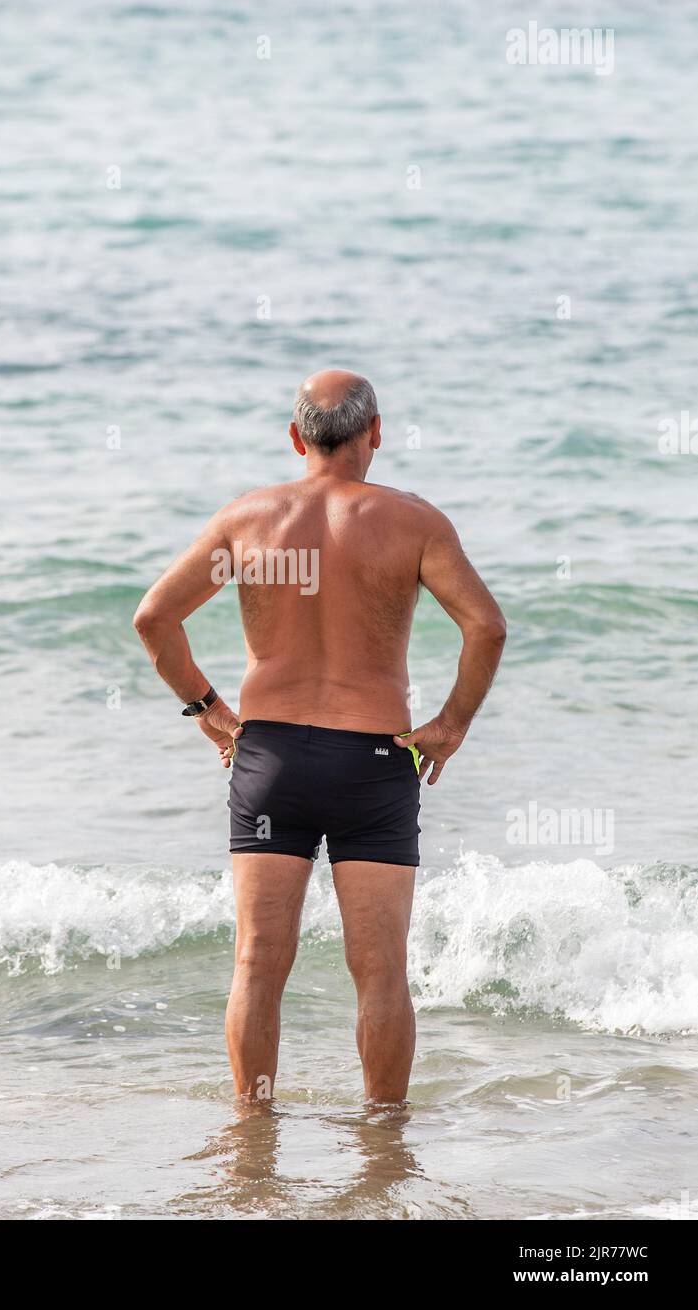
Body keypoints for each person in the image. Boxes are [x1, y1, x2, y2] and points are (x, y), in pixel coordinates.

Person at [133, 369, 506, 1104]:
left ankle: (252, 1127)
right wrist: (448, 726)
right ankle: (384, 1134)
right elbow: (486, 626)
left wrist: (208, 708)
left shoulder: (247, 519)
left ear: (296, 437)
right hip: (373, 763)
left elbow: (154, 618)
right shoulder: (414, 523)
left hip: (269, 759)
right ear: (376, 433)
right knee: (380, 971)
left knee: (256, 965)